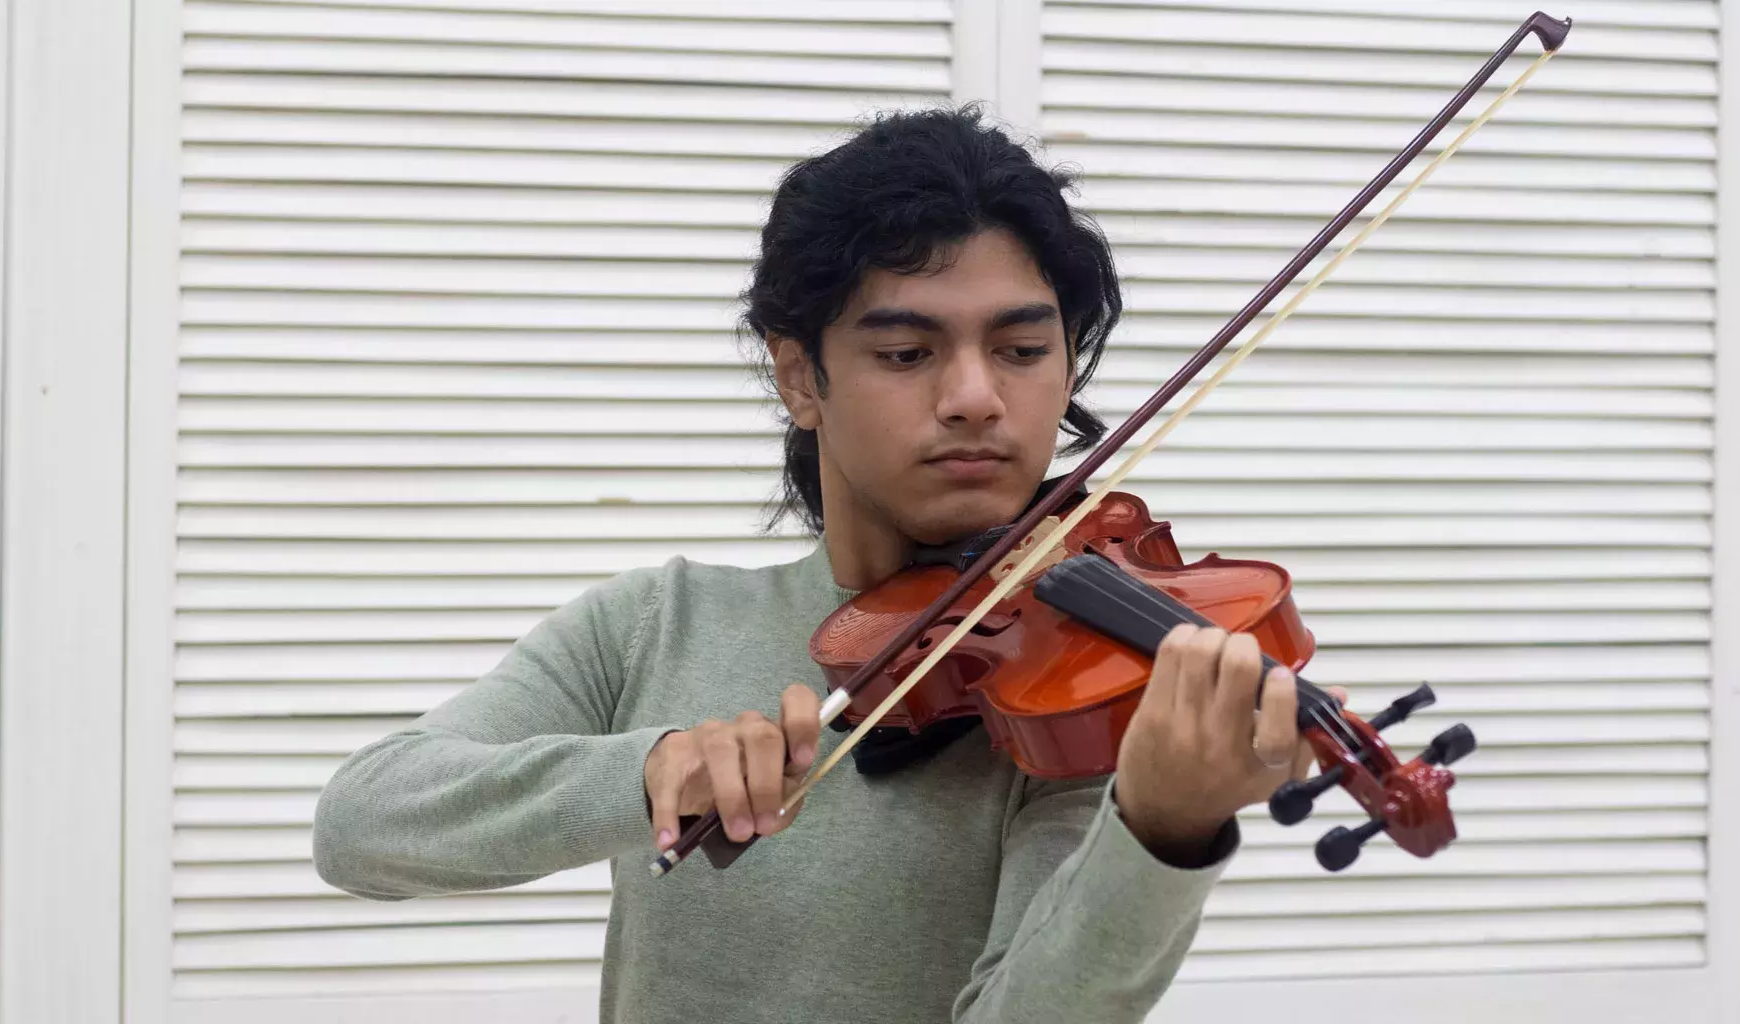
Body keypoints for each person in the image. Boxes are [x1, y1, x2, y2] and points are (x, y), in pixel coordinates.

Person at [314, 105, 1332, 1024]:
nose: (976, 396)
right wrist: (649, 766)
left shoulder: (1075, 697)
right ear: (800, 375)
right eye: (907, 353)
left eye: (1023, 351)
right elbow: (363, 821)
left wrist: (1160, 829)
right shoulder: (653, 625)